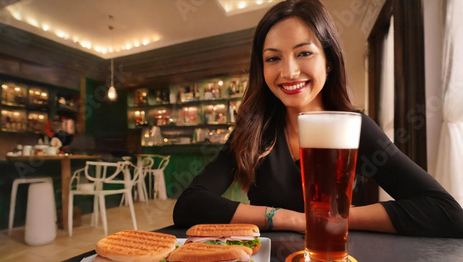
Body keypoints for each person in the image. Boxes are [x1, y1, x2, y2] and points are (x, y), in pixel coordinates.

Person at [173, 0, 463, 238]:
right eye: (273, 58)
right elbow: (190, 205)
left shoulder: (355, 128)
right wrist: (291, 219)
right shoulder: (253, 131)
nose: (288, 72)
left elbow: (445, 212)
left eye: (304, 53)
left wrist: (329, 218)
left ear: (329, 60)